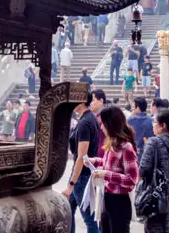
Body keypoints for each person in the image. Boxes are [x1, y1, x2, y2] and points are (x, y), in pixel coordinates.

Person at [88, 105, 138, 233]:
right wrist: (95, 161)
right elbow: (110, 165)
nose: (101, 127)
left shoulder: (126, 147)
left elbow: (131, 179)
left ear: (111, 124)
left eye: (104, 124)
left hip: (120, 202)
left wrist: (106, 174)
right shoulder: (112, 143)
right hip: (107, 198)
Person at [62, 89, 105, 233]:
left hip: (82, 176)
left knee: (89, 219)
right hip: (81, 174)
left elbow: (82, 156)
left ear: (81, 102)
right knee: (68, 211)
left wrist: (72, 184)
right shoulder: (89, 118)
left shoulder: (85, 122)